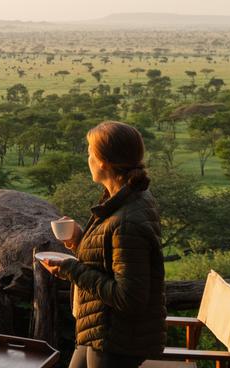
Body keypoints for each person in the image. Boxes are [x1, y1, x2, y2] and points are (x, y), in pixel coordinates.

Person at [39, 121, 166, 368]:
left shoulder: (127, 218)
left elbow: (128, 297)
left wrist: (70, 269)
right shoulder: (123, 199)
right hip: (100, 329)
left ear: (104, 162)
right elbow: (112, 258)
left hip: (116, 340)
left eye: (90, 152)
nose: (87, 158)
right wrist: (79, 240)